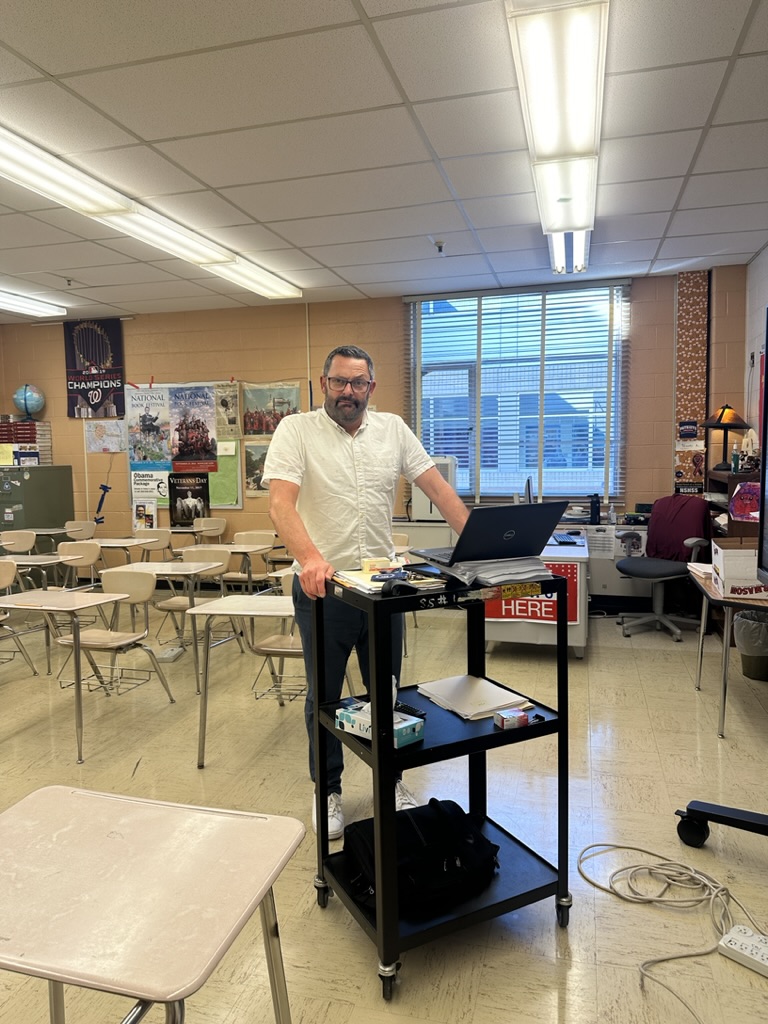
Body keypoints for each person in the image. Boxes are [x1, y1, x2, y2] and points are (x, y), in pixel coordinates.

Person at [262, 344, 468, 839]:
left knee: (387, 697)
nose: (348, 391)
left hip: (382, 589)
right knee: (326, 699)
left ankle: (389, 782)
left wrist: (480, 546)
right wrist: (311, 558)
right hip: (324, 589)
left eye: (358, 383)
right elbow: (280, 505)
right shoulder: (297, 431)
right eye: (339, 382)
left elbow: (439, 490)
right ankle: (327, 790)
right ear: (324, 384)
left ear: (371, 387)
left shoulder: (393, 429)